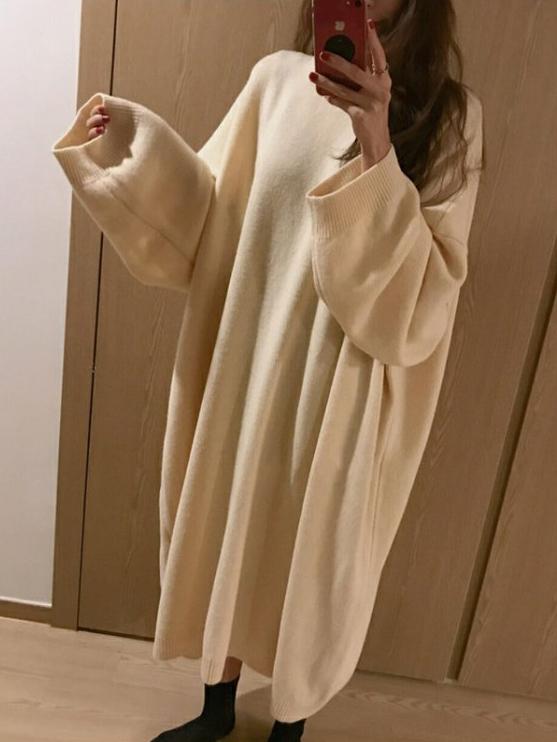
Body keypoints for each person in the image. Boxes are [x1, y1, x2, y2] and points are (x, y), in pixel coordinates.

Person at [51, 0, 485, 740]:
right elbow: (209, 217)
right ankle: (216, 709)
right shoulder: (276, 81)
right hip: (247, 361)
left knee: (309, 553)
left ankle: (291, 724)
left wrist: (376, 139)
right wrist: (132, 145)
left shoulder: (452, 116)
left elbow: (424, 295)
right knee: (227, 520)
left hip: (344, 383)